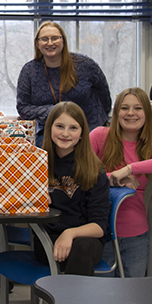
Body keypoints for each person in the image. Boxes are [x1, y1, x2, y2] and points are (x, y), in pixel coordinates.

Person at [90, 87, 152, 277]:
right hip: (101, 232)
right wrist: (114, 179)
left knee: (132, 296)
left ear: (147, 114)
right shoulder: (100, 135)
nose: (131, 113)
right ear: (116, 112)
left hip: (136, 235)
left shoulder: (151, 145)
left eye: (138, 108)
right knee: (101, 296)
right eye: (124, 108)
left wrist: (131, 168)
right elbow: (81, 174)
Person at [34, 101, 110, 276]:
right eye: (60, 126)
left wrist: (70, 234)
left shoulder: (94, 170)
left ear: (82, 133)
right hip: (47, 240)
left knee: (81, 247)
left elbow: (99, 226)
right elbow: (15, 204)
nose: (65, 133)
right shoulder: (36, 164)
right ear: (49, 129)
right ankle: (72, 302)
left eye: (73, 128)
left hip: (86, 240)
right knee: (76, 251)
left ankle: (70, 303)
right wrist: (35, 198)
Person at [17, 22, 111, 144]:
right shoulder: (29, 71)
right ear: (37, 44)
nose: (50, 43)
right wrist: (54, 112)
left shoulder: (86, 65)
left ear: (63, 41)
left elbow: (104, 97)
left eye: (55, 38)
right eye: (44, 39)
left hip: (89, 129)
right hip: (51, 132)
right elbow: (23, 107)